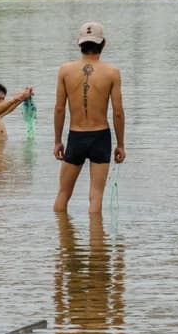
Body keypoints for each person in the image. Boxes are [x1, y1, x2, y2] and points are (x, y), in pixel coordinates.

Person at [53, 22, 125, 216]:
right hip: (101, 137)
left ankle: (63, 239)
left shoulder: (65, 71)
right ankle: (97, 244)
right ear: (103, 44)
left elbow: (60, 109)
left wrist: (58, 141)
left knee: (63, 194)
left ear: (79, 44)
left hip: (76, 136)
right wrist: (120, 144)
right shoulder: (112, 73)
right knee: (96, 196)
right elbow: (118, 112)